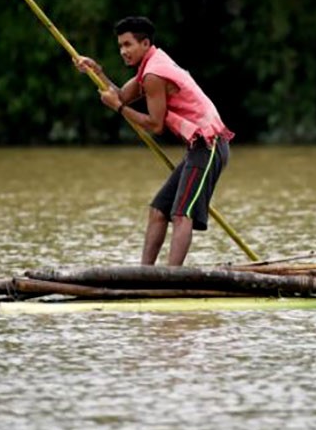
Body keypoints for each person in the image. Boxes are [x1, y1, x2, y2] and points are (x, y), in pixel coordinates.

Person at [74, 16, 233, 266]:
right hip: (197, 147)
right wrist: (97, 72)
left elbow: (155, 125)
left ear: (145, 43)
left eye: (128, 45)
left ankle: (171, 279)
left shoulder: (153, 74)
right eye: (120, 46)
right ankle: (145, 275)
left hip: (209, 146)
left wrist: (118, 110)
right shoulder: (148, 67)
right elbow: (121, 96)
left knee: (181, 214)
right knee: (159, 211)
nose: (123, 51)